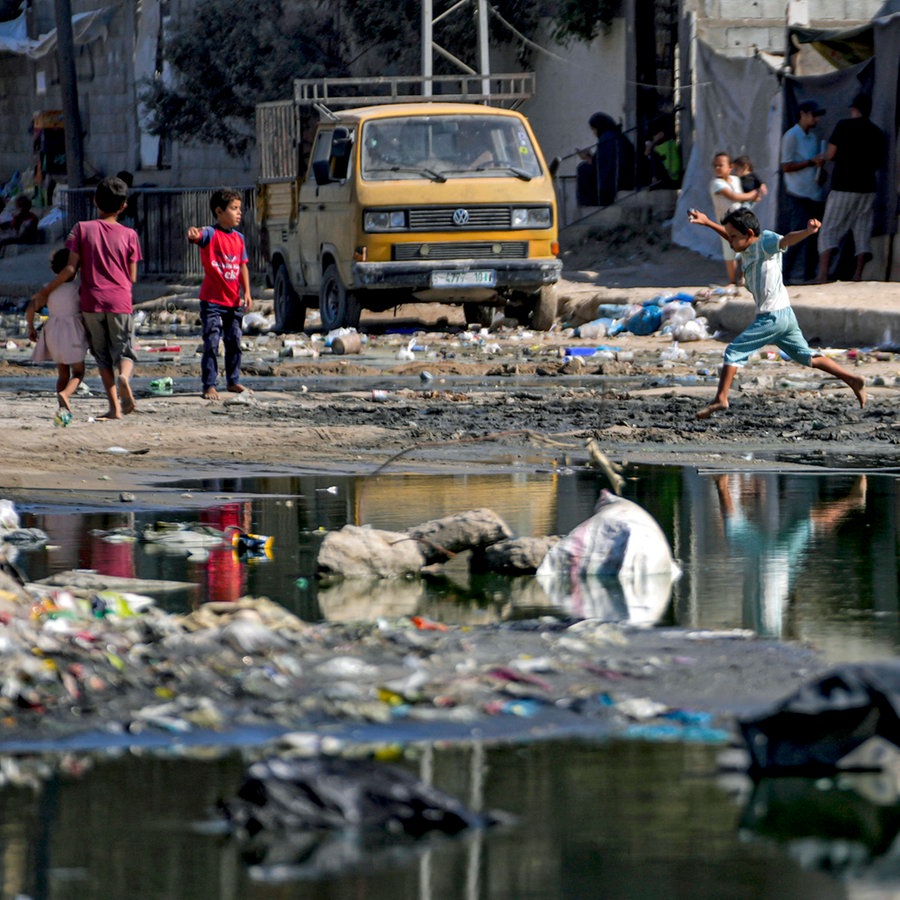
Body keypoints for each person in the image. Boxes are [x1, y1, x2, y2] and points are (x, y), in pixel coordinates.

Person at [687, 205, 865, 420]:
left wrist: (807, 232)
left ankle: (721, 398)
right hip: (784, 315)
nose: (730, 241)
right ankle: (852, 379)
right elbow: (732, 237)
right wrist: (707, 222)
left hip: (771, 316)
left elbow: (786, 239)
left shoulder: (765, 243)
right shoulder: (746, 246)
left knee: (733, 352)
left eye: (734, 237)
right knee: (807, 356)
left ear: (749, 234)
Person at [32, 175, 142, 420]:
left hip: (91, 302)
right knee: (124, 352)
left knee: (101, 355)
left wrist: (45, 291)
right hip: (120, 301)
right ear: (123, 206)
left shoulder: (81, 229)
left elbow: (70, 270)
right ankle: (124, 376)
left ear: (95, 201)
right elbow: (132, 276)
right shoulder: (130, 235)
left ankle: (114, 407)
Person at [187, 187, 253, 401]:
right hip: (212, 301)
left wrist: (247, 293)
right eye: (233, 209)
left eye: (239, 209)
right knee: (212, 342)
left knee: (234, 340)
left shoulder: (239, 238)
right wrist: (193, 234)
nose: (238, 213)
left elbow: (243, 266)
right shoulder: (210, 234)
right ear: (219, 211)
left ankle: (233, 380)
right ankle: (209, 385)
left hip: (233, 300)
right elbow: (198, 235)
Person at [814, 92, 887, 284]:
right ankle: (858, 275)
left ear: (853, 108)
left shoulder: (844, 126)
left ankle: (822, 274)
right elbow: (880, 162)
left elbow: (830, 154)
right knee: (862, 229)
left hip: (844, 186)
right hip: (868, 187)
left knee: (829, 228)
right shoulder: (877, 132)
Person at [26, 246, 89, 415]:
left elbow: (31, 307)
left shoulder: (47, 289)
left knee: (62, 373)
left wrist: (31, 327)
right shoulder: (78, 288)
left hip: (53, 332)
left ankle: (62, 408)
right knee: (78, 371)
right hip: (73, 332)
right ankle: (66, 394)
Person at [780, 100, 827, 284]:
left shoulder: (813, 137)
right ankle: (783, 277)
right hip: (797, 194)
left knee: (812, 238)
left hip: (814, 193)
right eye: (813, 115)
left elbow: (813, 166)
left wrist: (820, 169)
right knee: (796, 236)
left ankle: (808, 276)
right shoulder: (792, 136)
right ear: (803, 114)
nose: (816, 119)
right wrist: (811, 162)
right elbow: (786, 166)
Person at [709, 151, 762, 286]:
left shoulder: (736, 180)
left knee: (745, 249)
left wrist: (754, 196)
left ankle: (744, 278)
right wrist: (752, 195)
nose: (717, 168)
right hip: (726, 224)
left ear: (730, 167)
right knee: (730, 253)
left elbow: (741, 195)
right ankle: (732, 281)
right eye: (715, 165)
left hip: (741, 222)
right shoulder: (716, 183)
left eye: (720, 165)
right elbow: (733, 196)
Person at [576, 112, 635, 207]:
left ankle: (588, 203)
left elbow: (602, 164)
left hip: (613, 182)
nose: (594, 133)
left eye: (594, 129)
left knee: (583, 169)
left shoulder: (606, 138)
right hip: (625, 178)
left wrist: (587, 158)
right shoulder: (619, 136)